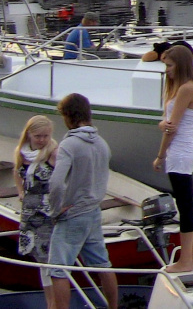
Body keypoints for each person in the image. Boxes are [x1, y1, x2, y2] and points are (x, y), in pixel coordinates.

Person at [47, 94, 119, 309]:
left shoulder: (70, 144)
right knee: (102, 265)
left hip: (73, 214)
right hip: (94, 212)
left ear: (68, 116)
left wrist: (55, 210)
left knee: (58, 269)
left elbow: (57, 182)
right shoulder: (102, 143)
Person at [154, 47, 193, 273]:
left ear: (180, 65)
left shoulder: (185, 89)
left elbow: (171, 127)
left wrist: (160, 155)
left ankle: (185, 260)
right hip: (184, 148)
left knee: (184, 204)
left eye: (169, 66)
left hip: (179, 151)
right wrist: (164, 124)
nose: (167, 71)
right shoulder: (188, 87)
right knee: (189, 203)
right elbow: (169, 123)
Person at [14, 116, 58, 309]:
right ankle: (50, 302)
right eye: (38, 136)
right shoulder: (22, 152)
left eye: (46, 136)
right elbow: (17, 171)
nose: (42, 140)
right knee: (40, 260)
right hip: (30, 212)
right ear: (29, 134)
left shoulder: (53, 153)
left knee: (48, 258)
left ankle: (54, 303)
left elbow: (65, 178)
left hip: (48, 214)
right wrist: (21, 192)